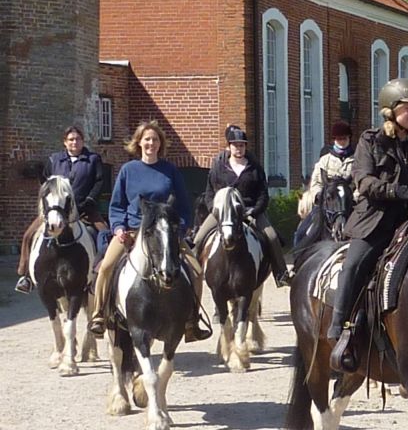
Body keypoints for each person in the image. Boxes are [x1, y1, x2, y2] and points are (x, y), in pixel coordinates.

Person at [326, 78, 408, 367]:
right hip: (377, 220)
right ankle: (340, 330)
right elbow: (364, 181)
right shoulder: (371, 140)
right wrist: (397, 191)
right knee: (354, 265)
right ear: (391, 111)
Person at [88, 120, 211, 342]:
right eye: (147, 139)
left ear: (160, 144)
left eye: (155, 139)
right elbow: (117, 205)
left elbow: (184, 205)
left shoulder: (170, 171)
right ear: (139, 142)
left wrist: (179, 230)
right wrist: (118, 228)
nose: (151, 143)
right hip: (133, 230)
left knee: (196, 270)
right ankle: (99, 315)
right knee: (105, 267)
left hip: (164, 232)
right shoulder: (128, 170)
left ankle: (192, 321)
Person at [192, 125, 293, 286]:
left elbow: (263, 194)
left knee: (272, 237)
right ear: (229, 146)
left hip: (249, 211)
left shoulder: (255, 168)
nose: (238, 148)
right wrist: (214, 209)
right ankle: (193, 276)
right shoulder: (219, 167)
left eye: (242, 145)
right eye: (235, 145)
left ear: (245, 147)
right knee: (198, 238)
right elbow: (209, 192)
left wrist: (255, 210)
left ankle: (281, 273)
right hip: (223, 212)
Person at [15, 125, 108, 293]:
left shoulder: (93, 159)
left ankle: (100, 274)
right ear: (65, 142)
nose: (75, 142)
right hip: (56, 211)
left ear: (83, 141)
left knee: (105, 234)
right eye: (71, 139)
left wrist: (89, 200)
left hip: (84, 209)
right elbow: (46, 185)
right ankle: (26, 276)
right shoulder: (54, 160)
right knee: (28, 235)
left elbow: (99, 182)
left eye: (78, 139)